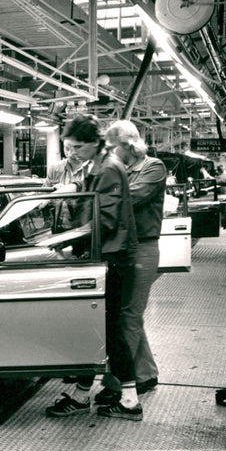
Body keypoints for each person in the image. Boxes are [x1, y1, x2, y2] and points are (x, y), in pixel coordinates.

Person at [46, 114, 142, 421]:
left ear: (92, 143)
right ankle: (82, 394)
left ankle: (129, 401)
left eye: (76, 147)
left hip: (112, 259)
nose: (71, 152)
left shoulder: (110, 169)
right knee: (97, 328)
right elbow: (89, 202)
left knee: (109, 329)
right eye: (68, 147)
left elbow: (105, 220)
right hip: (102, 257)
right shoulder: (97, 166)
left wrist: (68, 238)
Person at [105, 120, 166, 395]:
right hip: (123, 249)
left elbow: (134, 197)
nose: (110, 152)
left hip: (143, 248)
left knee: (129, 315)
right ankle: (145, 373)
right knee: (126, 315)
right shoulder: (118, 169)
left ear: (128, 145)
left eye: (112, 146)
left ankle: (120, 382)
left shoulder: (152, 167)